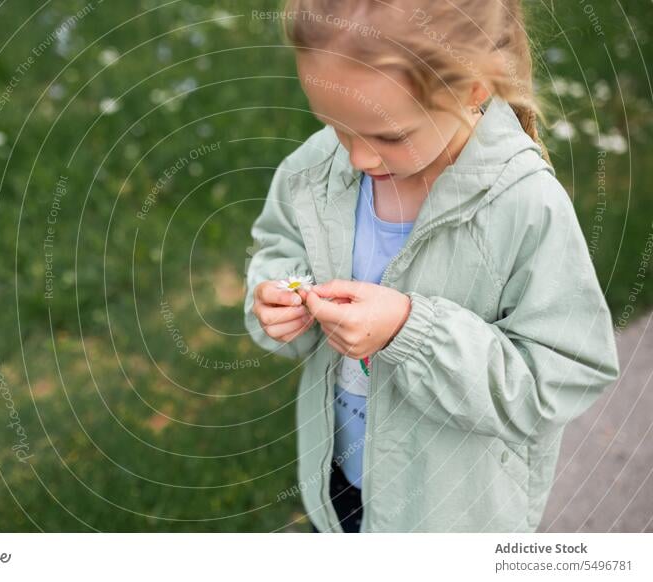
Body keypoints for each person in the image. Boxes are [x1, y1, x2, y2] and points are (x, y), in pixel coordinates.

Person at [243, 0, 620, 533]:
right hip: (342, 488)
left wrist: (410, 331)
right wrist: (276, 295)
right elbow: (278, 247)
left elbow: (561, 373)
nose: (358, 158)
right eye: (334, 124)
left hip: (451, 514)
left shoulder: (523, 206)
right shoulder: (315, 168)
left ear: (473, 89)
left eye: (390, 136)